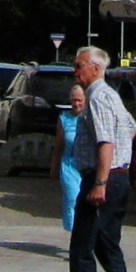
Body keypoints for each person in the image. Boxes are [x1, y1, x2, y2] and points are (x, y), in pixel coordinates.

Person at [53, 45, 135, 272]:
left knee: (82, 246)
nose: (74, 71)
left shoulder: (98, 97)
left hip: (104, 178)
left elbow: (106, 142)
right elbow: (131, 127)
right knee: (107, 246)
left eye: (79, 65)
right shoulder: (111, 95)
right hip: (119, 175)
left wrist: (100, 182)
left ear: (96, 69)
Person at [52, 83, 86, 233]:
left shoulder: (90, 118)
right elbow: (59, 145)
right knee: (72, 198)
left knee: (86, 202)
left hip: (86, 165)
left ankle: (85, 234)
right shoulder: (64, 119)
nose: (76, 104)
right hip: (69, 164)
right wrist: (54, 167)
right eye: (73, 100)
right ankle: (74, 232)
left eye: (79, 100)